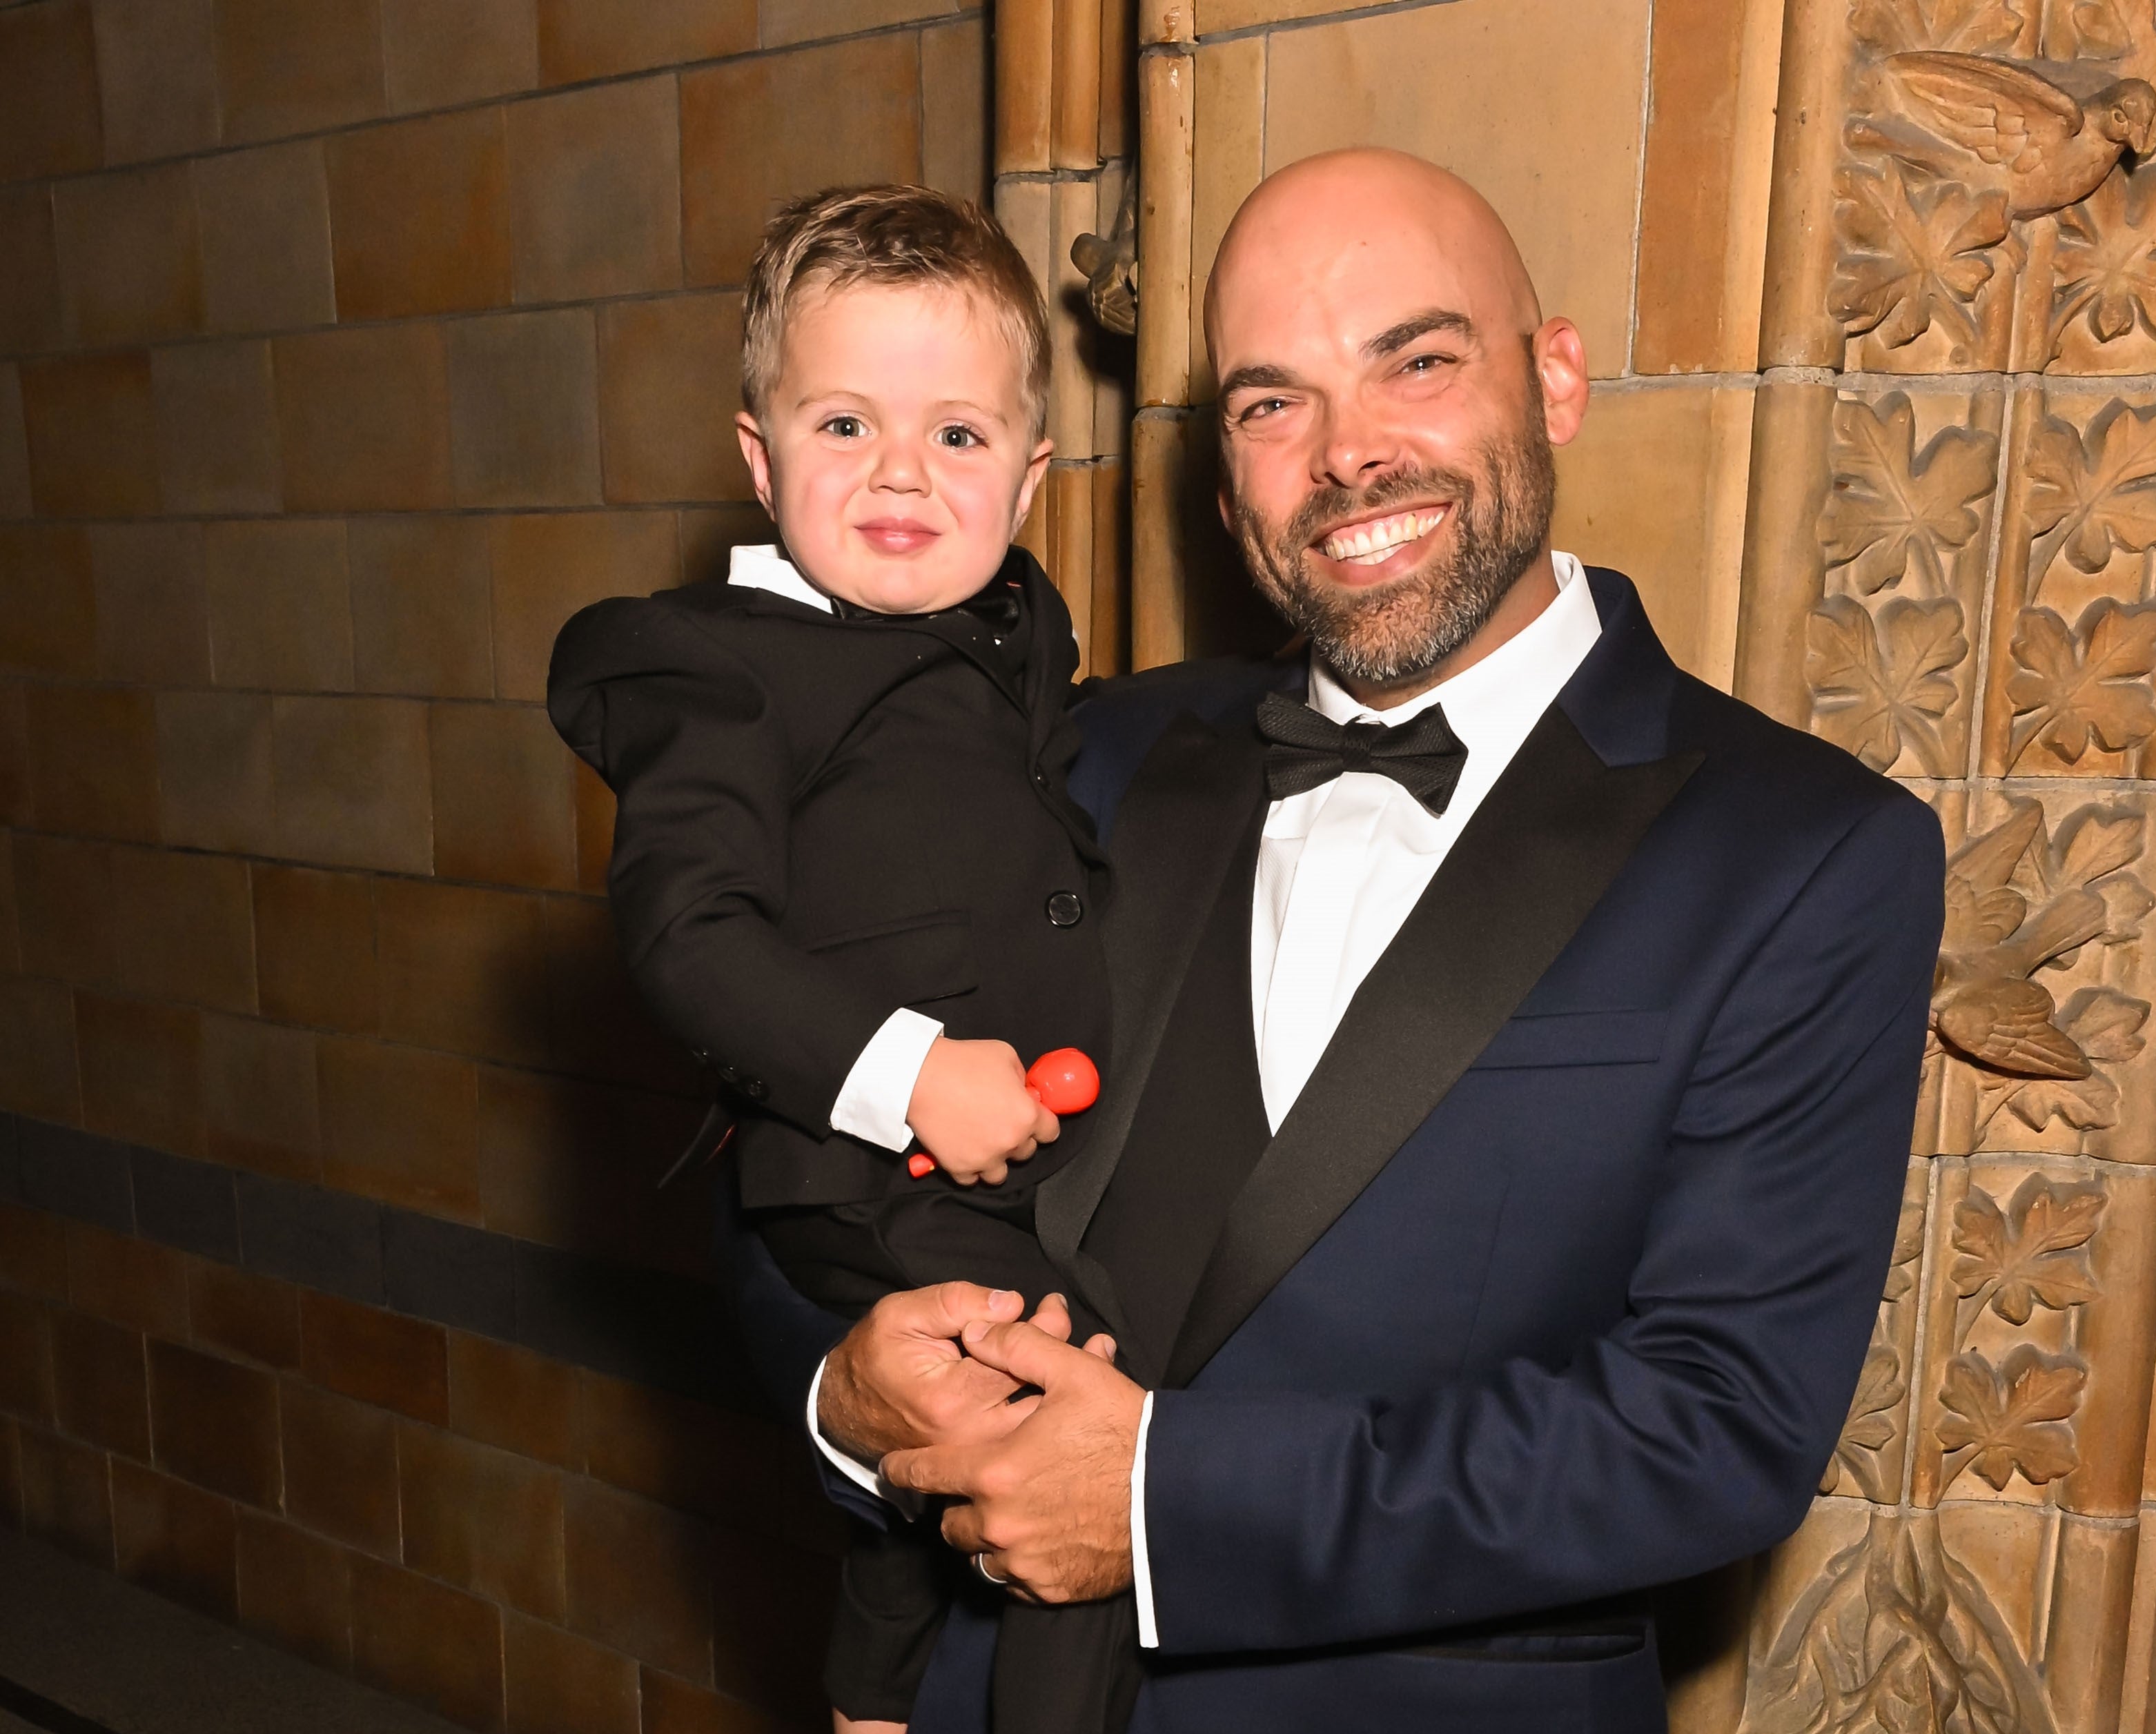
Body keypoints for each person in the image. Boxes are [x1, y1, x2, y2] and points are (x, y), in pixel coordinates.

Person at [774, 147, 1952, 1732]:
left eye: (1419, 361)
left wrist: (1160, 1504)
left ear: (1556, 380)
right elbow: (812, 1095)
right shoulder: (1085, 756)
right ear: (1223, 476)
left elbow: (1715, 1427)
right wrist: (842, 1390)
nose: (1348, 455)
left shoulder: (1805, 854)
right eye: (1274, 404)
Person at [545, 186, 1118, 1734]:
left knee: (972, 1450)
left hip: (1036, 1146)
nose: (900, 478)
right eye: (845, 425)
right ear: (759, 455)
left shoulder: (1020, 631)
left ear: (1032, 473)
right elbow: (690, 934)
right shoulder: (715, 669)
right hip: (866, 1170)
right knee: (1058, 1450)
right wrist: (911, 1073)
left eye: (957, 438)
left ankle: (872, 1700)